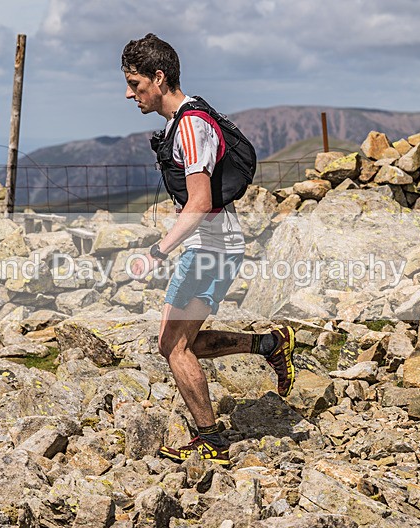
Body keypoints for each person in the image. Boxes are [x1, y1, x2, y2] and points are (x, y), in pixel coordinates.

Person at [121, 33, 295, 465]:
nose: (129, 93)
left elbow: (199, 202)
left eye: (135, 83)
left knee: (173, 347)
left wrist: (157, 253)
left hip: (211, 248)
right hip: (212, 246)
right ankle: (270, 344)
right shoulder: (182, 119)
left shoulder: (191, 127)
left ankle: (211, 440)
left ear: (158, 78)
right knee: (184, 342)